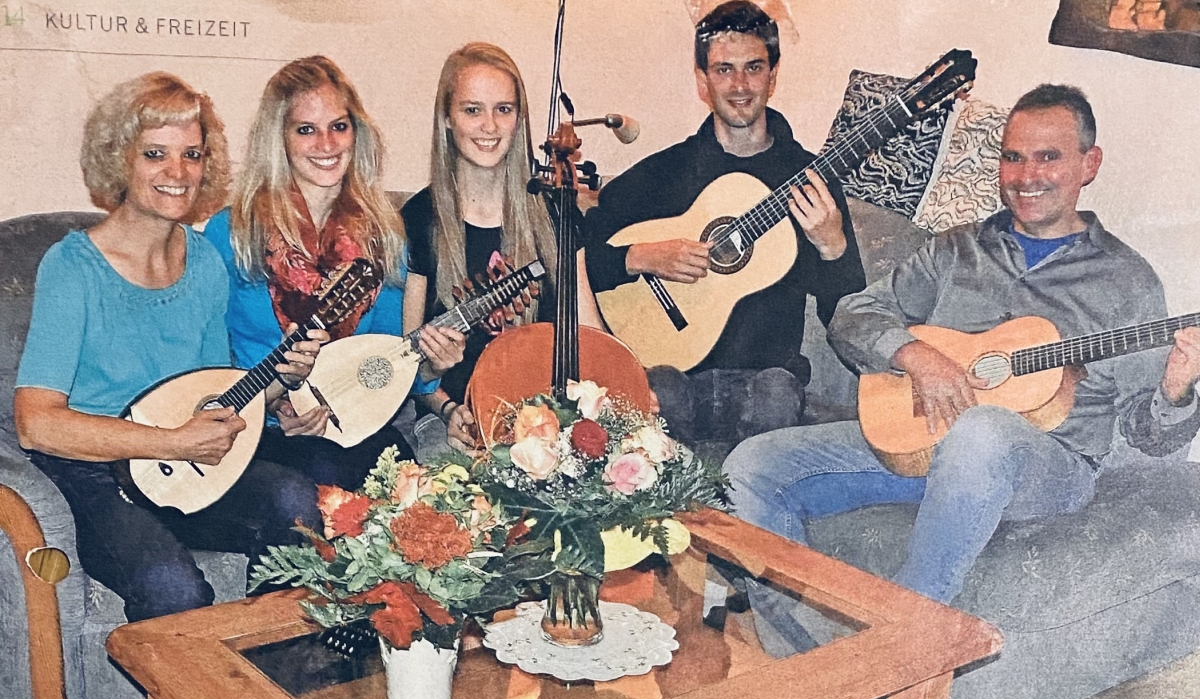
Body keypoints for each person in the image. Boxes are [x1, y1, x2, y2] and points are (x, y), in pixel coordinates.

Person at [724, 84, 1200, 656]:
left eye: (1048, 156)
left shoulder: (1128, 280)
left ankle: (895, 652)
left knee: (983, 430)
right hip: (925, 441)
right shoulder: (956, 249)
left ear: (1088, 163)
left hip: (1049, 465)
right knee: (748, 467)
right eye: (1012, 156)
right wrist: (915, 356)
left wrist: (1177, 391)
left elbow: (1149, 439)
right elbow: (854, 314)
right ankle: (806, 657)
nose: (1026, 175)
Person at [13, 73, 325, 622]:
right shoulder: (72, 267)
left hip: (181, 462)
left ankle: (275, 675)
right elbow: (36, 424)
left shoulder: (204, 262)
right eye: (155, 153)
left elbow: (214, 390)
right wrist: (172, 442)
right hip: (95, 473)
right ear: (120, 160)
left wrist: (280, 379)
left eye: (192, 154)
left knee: (294, 500)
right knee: (170, 585)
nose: (177, 173)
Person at [584, 0, 866, 456]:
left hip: (766, 380)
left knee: (777, 396)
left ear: (773, 76)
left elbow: (847, 315)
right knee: (647, 396)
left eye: (753, 68)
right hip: (675, 377)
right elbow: (578, 251)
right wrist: (640, 256)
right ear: (702, 81)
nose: (739, 85)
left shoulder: (809, 177)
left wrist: (832, 248)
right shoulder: (664, 174)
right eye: (723, 69)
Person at [205, 56, 466, 487]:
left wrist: (435, 372)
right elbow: (207, 364)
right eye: (306, 129)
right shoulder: (231, 233)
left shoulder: (385, 236)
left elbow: (387, 356)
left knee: (404, 477)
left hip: (347, 417)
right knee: (327, 479)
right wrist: (275, 402)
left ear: (356, 132)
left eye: (339, 126)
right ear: (280, 139)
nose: (326, 144)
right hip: (252, 433)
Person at [401, 42, 605, 452]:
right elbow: (410, 367)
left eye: (504, 109)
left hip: (550, 422)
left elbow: (591, 331)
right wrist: (445, 409)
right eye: (472, 110)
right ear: (447, 119)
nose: (490, 126)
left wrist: (624, 384)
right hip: (457, 424)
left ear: (519, 119)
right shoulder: (420, 217)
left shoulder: (556, 211)